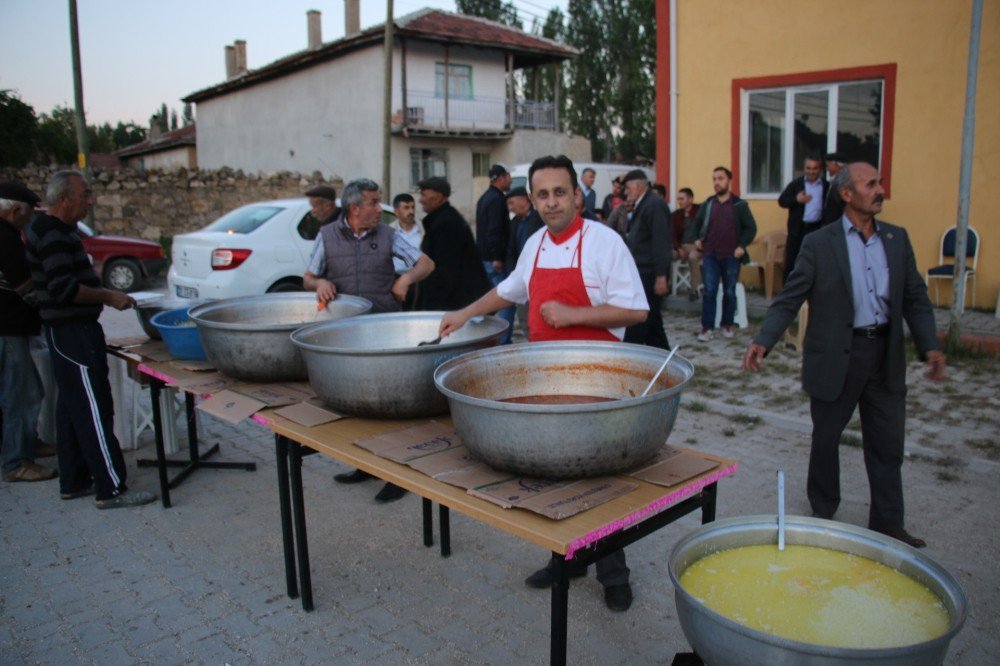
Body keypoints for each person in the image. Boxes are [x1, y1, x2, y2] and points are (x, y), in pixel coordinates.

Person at [440, 155, 648, 612]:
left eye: (560, 192)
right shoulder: (534, 243)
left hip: (598, 385)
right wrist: (465, 312)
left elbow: (636, 311)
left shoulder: (605, 243)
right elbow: (510, 290)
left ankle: (614, 574)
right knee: (553, 479)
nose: (552, 202)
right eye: (542, 194)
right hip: (544, 382)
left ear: (577, 195)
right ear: (532, 200)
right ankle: (567, 560)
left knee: (600, 481)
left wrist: (575, 315)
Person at [743, 162, 944, 549]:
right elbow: (791, 295)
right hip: (836, 354)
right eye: (871, 184)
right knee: (827, 436)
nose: (880, 189)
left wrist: (930, 344)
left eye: (880, 182)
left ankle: (887, 523)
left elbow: (915, 297)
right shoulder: (821, 243)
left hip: (884, 354)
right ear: (847, 194)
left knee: (887, 443)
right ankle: (823, 510)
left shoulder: (897, 239)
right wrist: (764, 338)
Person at [23, 170, 155, 508]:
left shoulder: (54, 231)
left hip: (66, 332)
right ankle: (111, 488)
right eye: (85, 195)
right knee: (94, 410)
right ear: (65, 199)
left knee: (71, 408)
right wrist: (108, 296)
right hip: (73, 333)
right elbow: (64, 289)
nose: (90, 202)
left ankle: (74, 479)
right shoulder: (53, 234)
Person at [303, 178, 435, 503]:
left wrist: (405, 278)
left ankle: (397, 474)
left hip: (385, 333)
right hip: (348, 336)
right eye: (374, 202)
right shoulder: (327, 236)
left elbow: (426, 263)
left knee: (390, 405)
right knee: (358, 409)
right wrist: (319, 283)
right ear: (355, 208)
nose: (380, 208)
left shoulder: (389, 234)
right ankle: (364, 464)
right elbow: (308, 276)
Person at [0, 182, 57, 483]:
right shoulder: (5, 238)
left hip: (9, 326)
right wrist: (52, 307)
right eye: (27, 213)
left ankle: (25, 445)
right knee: (22, 393)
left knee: (22, 389)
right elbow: (25, 287)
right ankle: (16, 460)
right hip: (7, 327)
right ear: (13, 212)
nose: (29, 219)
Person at [693, 166, 757, 341]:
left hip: (731, 255)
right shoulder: (708, 204)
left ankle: (727, 324)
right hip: (711, 254)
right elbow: (696, 224)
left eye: (720, 178)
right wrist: (696, 239)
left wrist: (742, 246)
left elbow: (751, 228)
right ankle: (707, 328)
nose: (716, 182)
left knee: (729, 291)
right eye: (714, 179)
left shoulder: (739, 205)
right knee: (710, 291)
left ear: (729, 181)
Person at [414, 177, 492, 311]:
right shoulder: (441, 220)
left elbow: (445, 273)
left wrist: (432, 311)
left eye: (423, 195)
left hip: (453, 306)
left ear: (437, 197)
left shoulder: (447, 224)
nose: (420, 200)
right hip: (453, 304)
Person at [621, 169, 671, 350]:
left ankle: (628, 357)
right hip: (642, 272)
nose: (626, 192)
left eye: (627, 187)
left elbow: (661, 242)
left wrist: (661, 275)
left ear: (638, 184)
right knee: (654, 327)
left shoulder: (654, 205)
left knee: (638, 324)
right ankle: (665, 363)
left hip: (649, 274)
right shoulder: (644, 205)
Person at [475, 164, 515, 343]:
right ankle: (502, 343)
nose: (510, 180)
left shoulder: (485, 198)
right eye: (508, 176)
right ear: (500, 178)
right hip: (494, 261)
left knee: (492, 303)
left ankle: (494, 342)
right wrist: (497, 257)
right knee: (504, 301)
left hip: (486, 259)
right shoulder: (496, 200)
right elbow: (494, 230)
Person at [779, 155, 829, 281]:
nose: (811, 171)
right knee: (792, 262)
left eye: (815, 168)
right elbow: (782, 201)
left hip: (816, 229)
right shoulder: (796, 184)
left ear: (820, 169)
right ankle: (788, 294)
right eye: (808, 168)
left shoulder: (826, 186)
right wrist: (796, 199)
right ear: (804, 169)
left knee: (814, 262)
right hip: (797, 230)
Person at [390, 193, 423, 310]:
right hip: (396, 281)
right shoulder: (390, 232)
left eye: (413, 207)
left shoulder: (423, 230)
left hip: (419, 281)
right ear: (396, 211)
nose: (411, 211)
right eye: (406, 207)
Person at [672, 187, 702, 301]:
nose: (679, 201)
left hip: (696, 246)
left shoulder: (700, 212)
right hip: (681, 247)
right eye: (678, 199)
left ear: (690, 199)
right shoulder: (676, 215)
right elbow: (673, 234)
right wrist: (678, 248)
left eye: (682, 199)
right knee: (665, 254)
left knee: (693, 257)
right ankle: (664, 284)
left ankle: (695, 290)